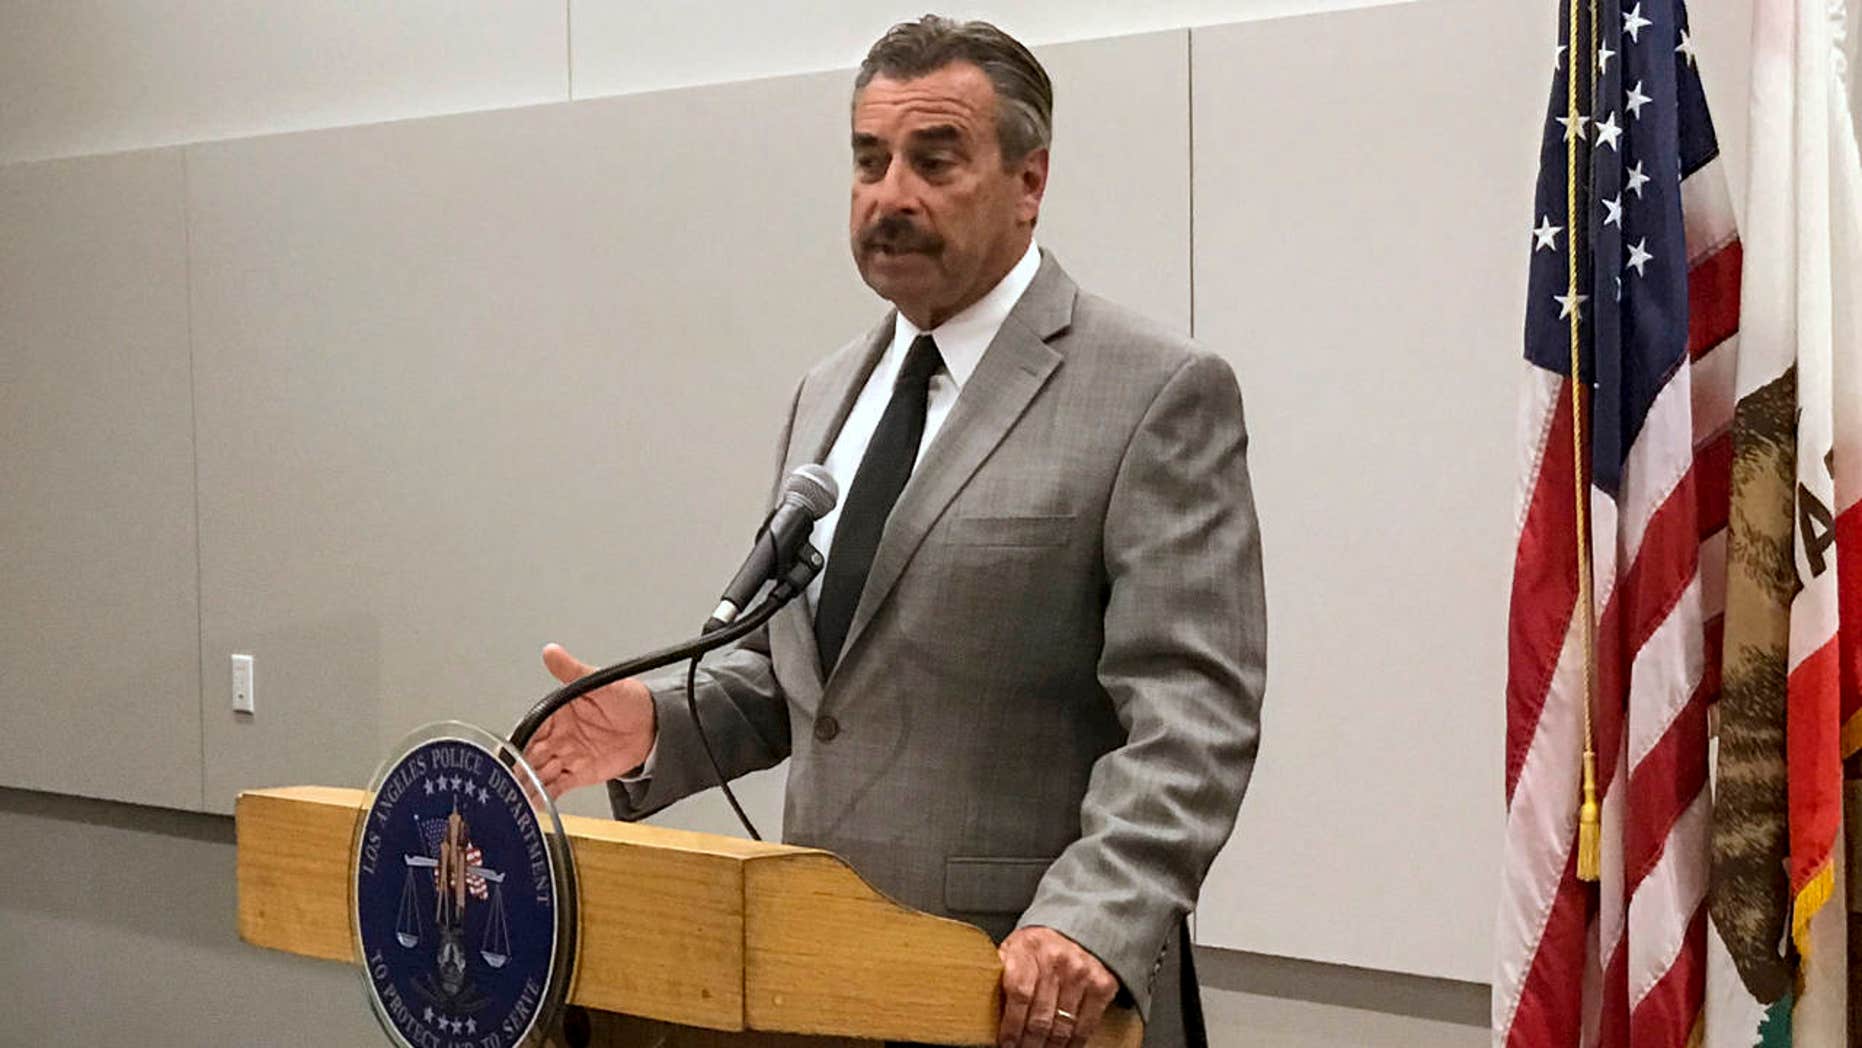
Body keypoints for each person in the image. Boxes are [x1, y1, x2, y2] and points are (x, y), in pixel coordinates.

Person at [523, 16, 1266, 1048]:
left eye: (934, 158)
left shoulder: (1151, 390)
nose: (890, 195)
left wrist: (1089, 920)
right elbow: (811, 681)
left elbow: (1192, 713)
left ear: (1028, 179)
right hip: (817, 980)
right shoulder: (829, 392)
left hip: (1026, 994)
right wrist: (651, 720)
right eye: (868, 161)